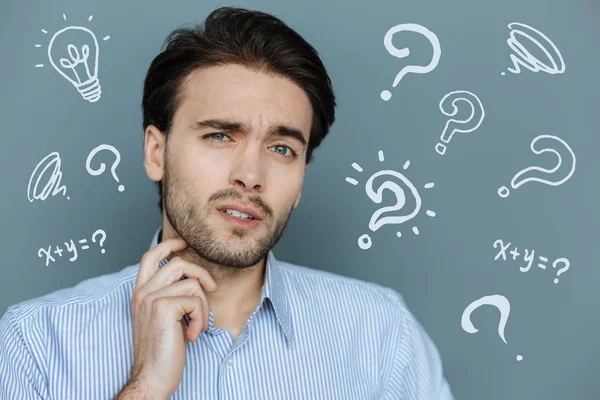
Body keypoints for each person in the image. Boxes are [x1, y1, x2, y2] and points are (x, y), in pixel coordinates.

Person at [0, 6, 454, 400]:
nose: (251, 176)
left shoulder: (382, 334)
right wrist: (146, 387)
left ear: (300, 182)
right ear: (156, 153)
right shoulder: (38, 343)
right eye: (220, 135)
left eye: (282, 149)